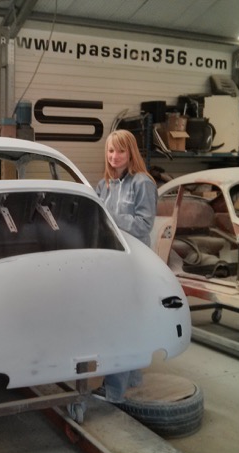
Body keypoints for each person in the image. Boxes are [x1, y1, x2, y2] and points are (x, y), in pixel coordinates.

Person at [93, 129, 158, 404]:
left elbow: (144, 224)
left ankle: (114, 391)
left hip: (133, 263)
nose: (114, 156)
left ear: (131, 152)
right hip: (110, 262)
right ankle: (131, 380)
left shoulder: (142, 183)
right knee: (124, 324)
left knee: (121, 325)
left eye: (120, 150)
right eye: (110, 150)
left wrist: (109, 216)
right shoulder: (103, 185)